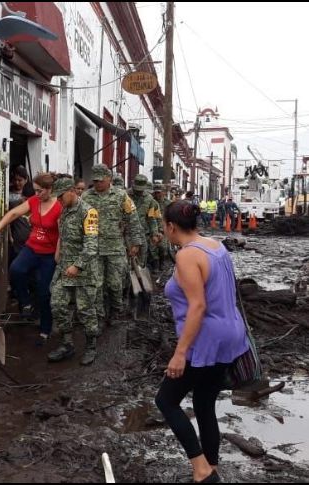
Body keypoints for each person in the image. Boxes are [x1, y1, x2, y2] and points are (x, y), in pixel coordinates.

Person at [155, 200, 250, 483]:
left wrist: (180, 353)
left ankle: (201, 470)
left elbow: (197, 306)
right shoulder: (216, 245)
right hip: (230, 334)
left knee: (166, 400)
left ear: (171, 227)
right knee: (204, 402)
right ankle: (212, 467)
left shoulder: (186, 256)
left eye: (164, 226)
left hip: (205, 340)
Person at [0, 172, 62, 339]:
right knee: (15, 269)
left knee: (44, 292)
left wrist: (58, 256)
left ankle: (45, 328)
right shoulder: (34, 201)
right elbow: (13, 213)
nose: (36, 194)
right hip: (32, 248)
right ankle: (26, 302)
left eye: (40, 191)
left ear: (50, 189)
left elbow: (64, 234)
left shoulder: (59, 206)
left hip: (49, 254)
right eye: (35, 190)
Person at [46, 178, 100, 366]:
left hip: (83, 271)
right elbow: (63, 234)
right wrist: (58, 251)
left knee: (85, 310)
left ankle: (91, 346)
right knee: (57, 304)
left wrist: (77, 265)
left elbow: (91, 246)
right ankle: (67, 343)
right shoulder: (65, 210)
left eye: (61, 196)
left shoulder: (88, 212)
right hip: (64, 268)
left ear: (71, 191)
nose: (58, 201)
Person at [82, 164, 144, 322]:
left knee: (115, 284)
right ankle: (100, 316)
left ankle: (116, 309)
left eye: (101, 181)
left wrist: (135, 243)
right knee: (97, 285)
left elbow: (133, 220)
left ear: (109, 178)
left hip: (115, 248)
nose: (97, 184)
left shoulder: (121, 196)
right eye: (95, 181)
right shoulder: (86, 197)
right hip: (93, 248)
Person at [128, 175, 163, 268]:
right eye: (137, 189)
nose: (139, 192)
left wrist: (155, 233)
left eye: (141, 189)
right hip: (126, 233)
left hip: (142, 232)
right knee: (126, 260)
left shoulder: (149, 199)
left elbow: (151, 218)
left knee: (142, 258)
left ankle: (141, 277)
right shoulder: (124, 195)